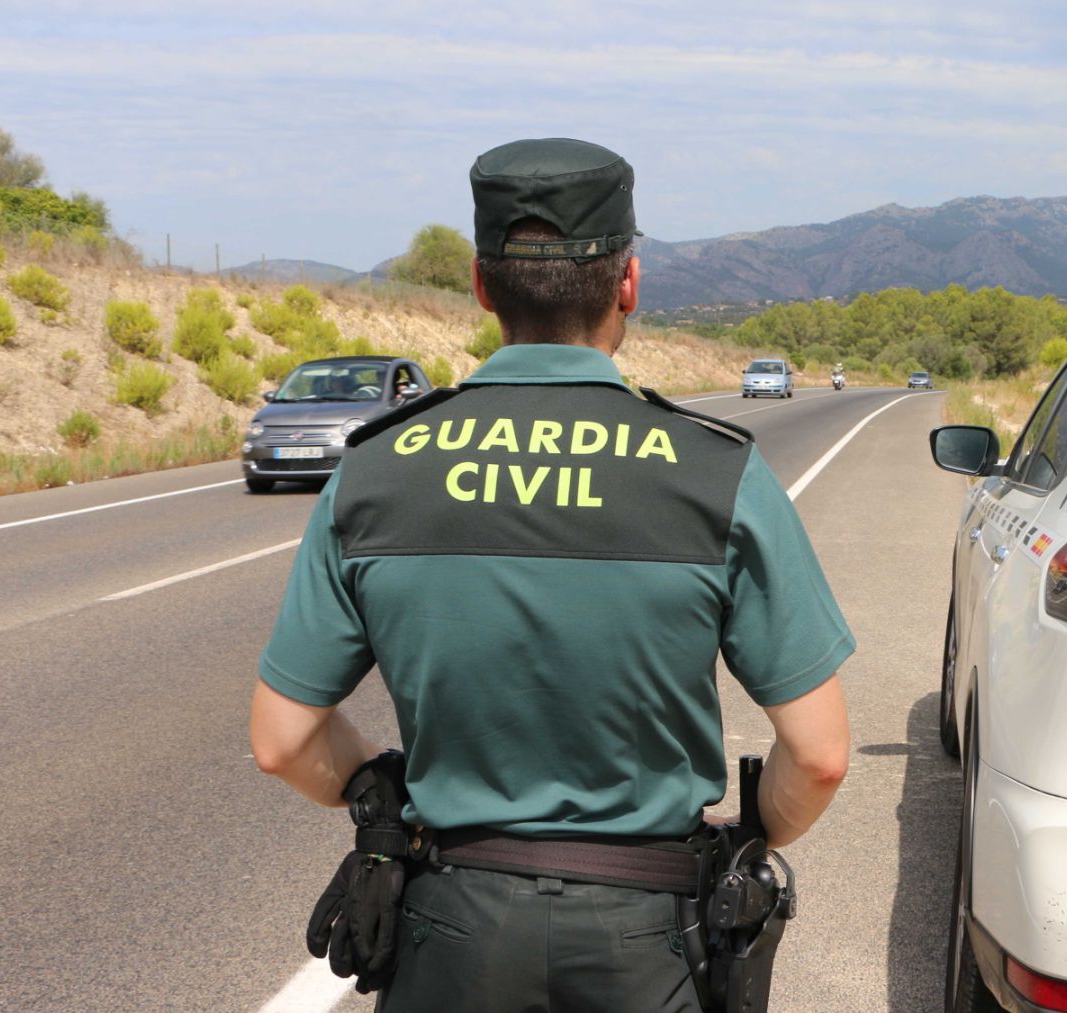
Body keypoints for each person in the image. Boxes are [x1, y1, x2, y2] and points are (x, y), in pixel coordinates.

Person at [249, 137, 854, 1012]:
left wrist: (376, 786)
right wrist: (754, 833)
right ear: (629, 285)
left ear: (481, 284)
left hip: (450, 929)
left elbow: (282, 741)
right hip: (649, 937)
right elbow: (823, 756)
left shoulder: (379, 470)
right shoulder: (714, 472)